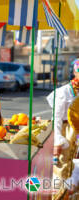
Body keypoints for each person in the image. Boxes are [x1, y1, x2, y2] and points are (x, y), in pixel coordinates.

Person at [47, 59, 79, 199]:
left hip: (77, 133)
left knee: (75, 169)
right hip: (67, 133)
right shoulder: (63, 92)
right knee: (61, 168)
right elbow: (57, 118)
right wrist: (57, 141)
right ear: (74, 72)